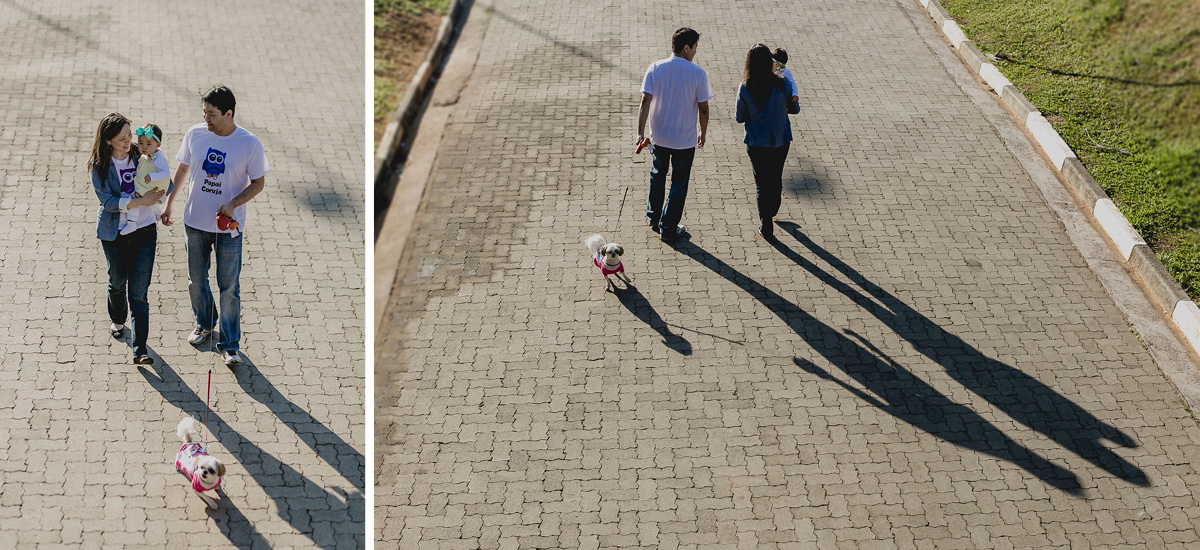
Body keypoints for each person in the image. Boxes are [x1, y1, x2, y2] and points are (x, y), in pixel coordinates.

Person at [162, 85, 270, 366]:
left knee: (229, 286)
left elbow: (259, 182)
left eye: (211, 114)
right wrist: (170, 201)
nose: (206, 119)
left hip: (229, 229)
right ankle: (205, 322)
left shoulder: (249, 144)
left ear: (229, 113)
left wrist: (234, 203)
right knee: (196, 280)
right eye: (204, 113)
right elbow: (183, 168)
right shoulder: (195, 134)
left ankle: (230, 344)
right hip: (195, 222)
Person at [89, 113, 168, 364]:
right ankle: (118, 319)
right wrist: (139, 202)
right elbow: (108, 202)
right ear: (108, 140)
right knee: (116, 281)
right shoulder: (99, 165)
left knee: (139, 293)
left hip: (144, 231)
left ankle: (140, 349)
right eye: (121, 139)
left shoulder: (142, 154)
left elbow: (167, 178)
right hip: (115, 235)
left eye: (129, 136)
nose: (128, 142)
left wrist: (162, 195)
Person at [636, 27, 714, 242]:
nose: (696, 52)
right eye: (695, 47)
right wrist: (702, 132)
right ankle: (668, 228)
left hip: (659, 136)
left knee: (657, 175)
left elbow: (645, 101)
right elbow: (704, 108)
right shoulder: (697, 73)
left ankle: (654, 215)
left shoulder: (655, 68)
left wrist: (640, 132)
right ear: (686, 47)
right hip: (684, 140)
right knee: (679, 183)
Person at [735, 44, 800, 240]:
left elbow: (739, 117)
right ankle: (773, 207)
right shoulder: (783, 84)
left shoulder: (745, 87)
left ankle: (766, 223)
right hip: (780, 139)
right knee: (776, 175)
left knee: (761, 182)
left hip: (756, 142)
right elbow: (794, 110)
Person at [123, 124, 171, 234]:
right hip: (147, 185)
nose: (144, 147)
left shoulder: (158, 158)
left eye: (148, 144)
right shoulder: (148, 154)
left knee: (135, 199)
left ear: (158, 145)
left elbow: (166, 173)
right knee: (148, 202)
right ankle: (156, 214)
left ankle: (131, 223)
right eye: (141, 143)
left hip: (151, 186)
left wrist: (152, 177)